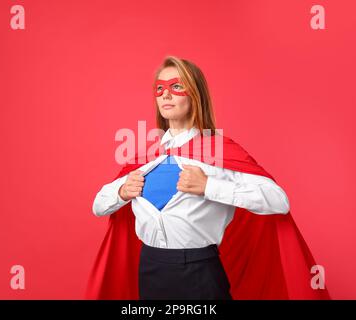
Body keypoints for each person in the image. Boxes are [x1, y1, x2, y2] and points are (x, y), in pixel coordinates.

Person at [86, 56, 330, 300]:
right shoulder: (147, 157)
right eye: (159, 88)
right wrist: (121, 192)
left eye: (176, 86)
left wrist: (209, 186)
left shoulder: (220, 152)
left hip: (199, 272)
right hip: (150, 268)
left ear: (195, 95)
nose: (165, 94)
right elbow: (98, 206)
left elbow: (279, 201)